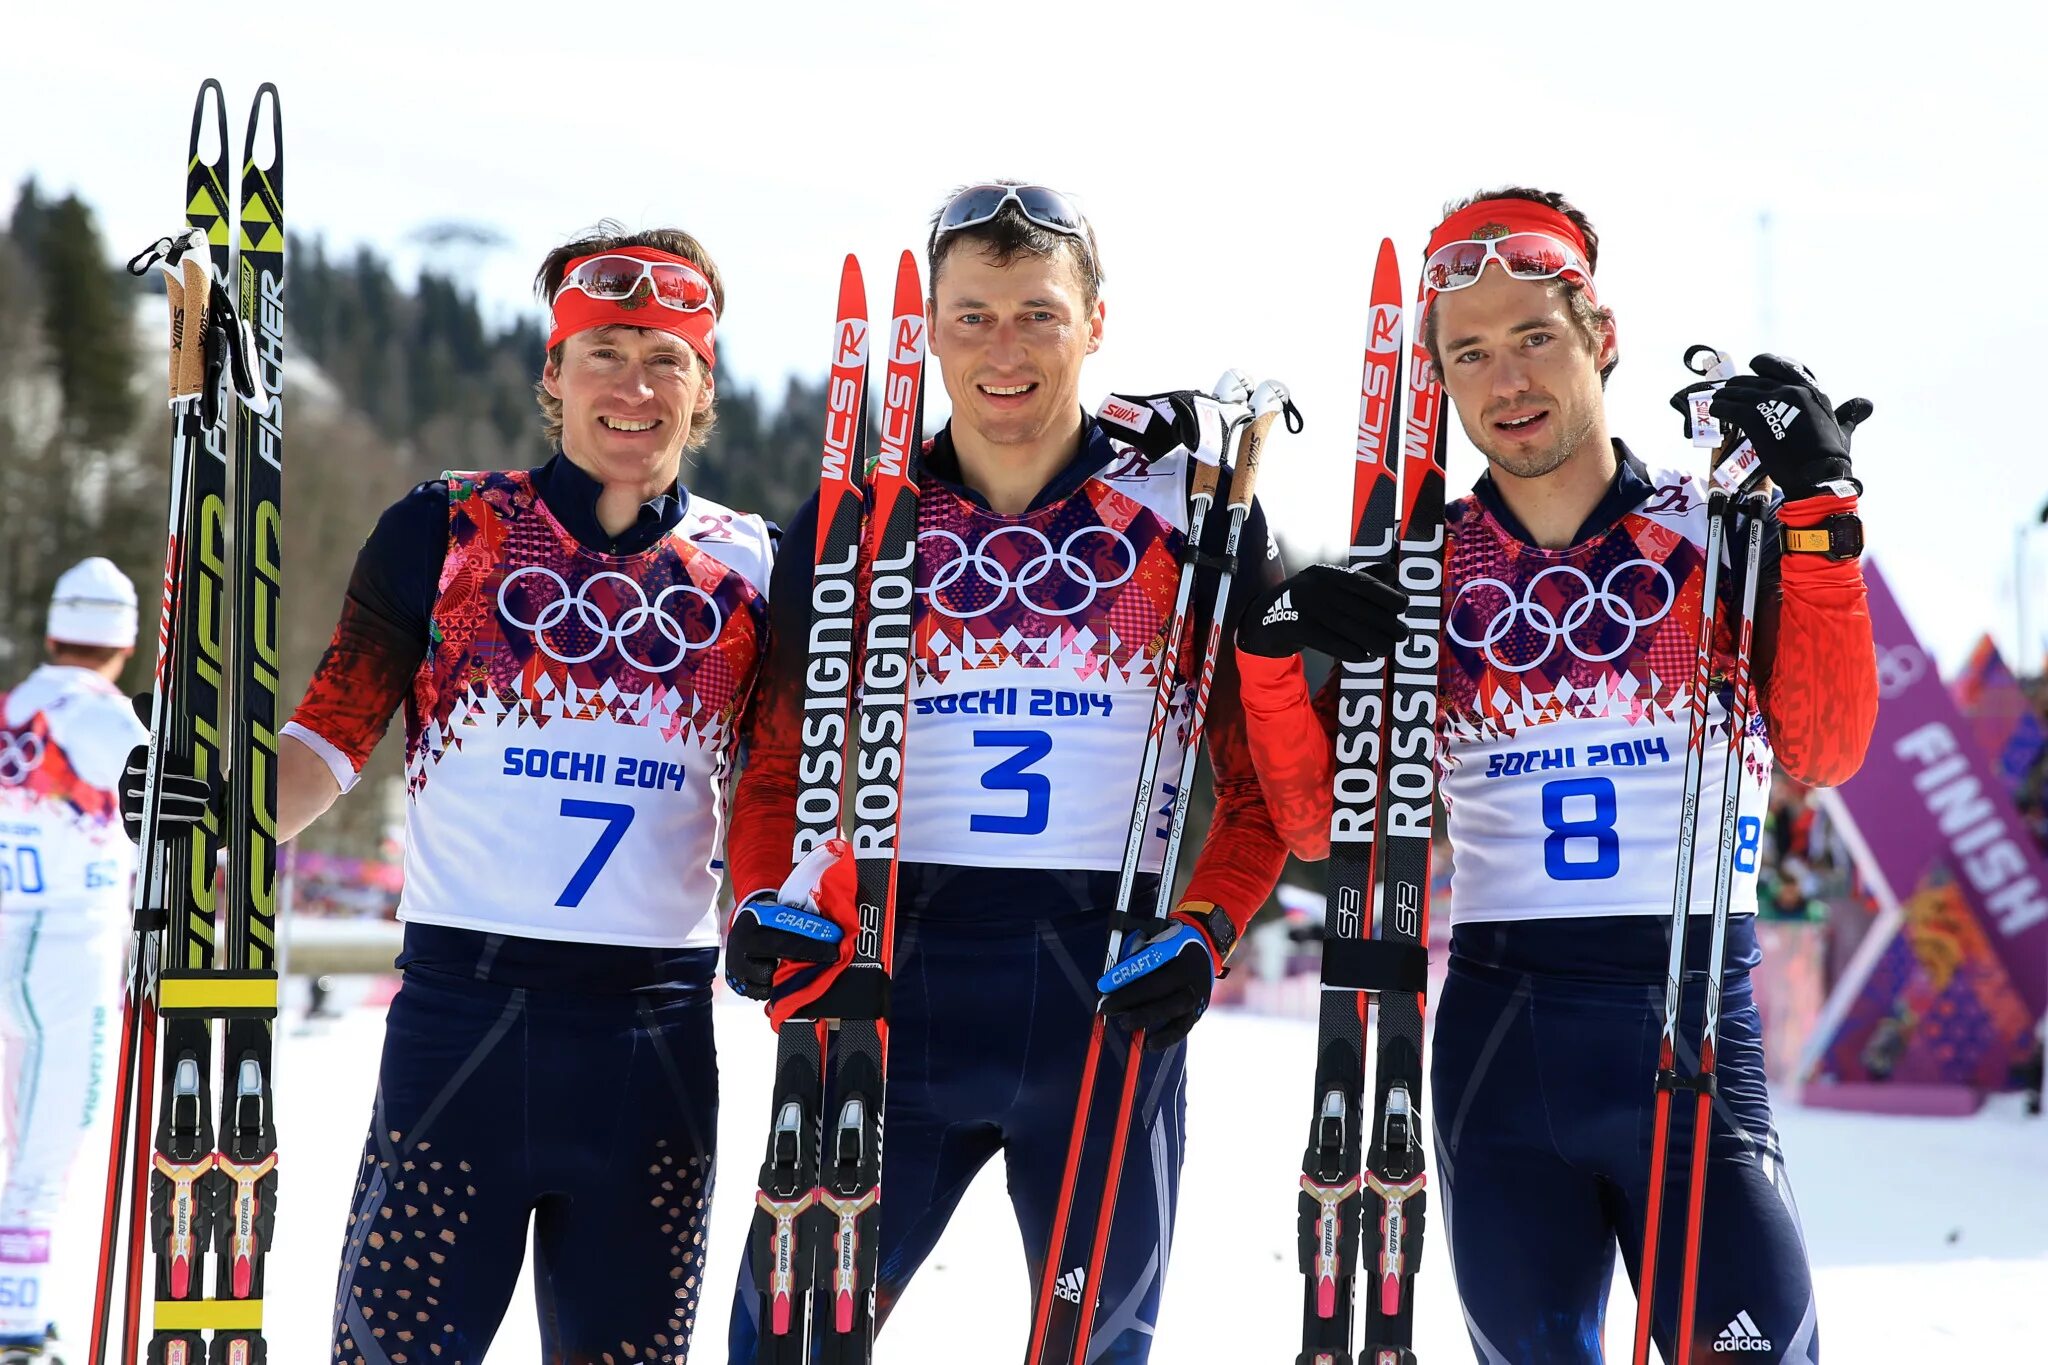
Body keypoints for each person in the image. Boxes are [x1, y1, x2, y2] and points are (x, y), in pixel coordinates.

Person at [1230, 188, 1878, 1363]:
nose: (1506, 379)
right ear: (1436, 379)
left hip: (1692, 1035)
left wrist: (1822, 524)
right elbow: (1316, 823)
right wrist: (1274, 658)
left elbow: (1823, 751)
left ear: (1602, 336)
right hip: (1501, 1047)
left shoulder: (1718, 535)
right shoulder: (1423, 574)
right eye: (1469, 352)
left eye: (1533, 336)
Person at [142, 226, 771, 1361]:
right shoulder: (444, 528)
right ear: (551, 373)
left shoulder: (759, 567)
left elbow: (789, 787)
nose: (633, 387)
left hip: (653, 1042)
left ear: (704, 383)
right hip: (461, 1028)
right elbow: (333, 735)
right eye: (604, 352)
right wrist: (221, 809)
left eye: (665, 358)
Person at [721, 182, 1289, 1362]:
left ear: (1094, 324)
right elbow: (775, 766)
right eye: (971, 317)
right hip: (885, 976)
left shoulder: (1191, 516)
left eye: (1037, 314)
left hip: (1098, 983)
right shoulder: (851, 525)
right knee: (781, 1346)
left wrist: (1203, 928)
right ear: (928, 330)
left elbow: (1261, 788)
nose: (1003, 349)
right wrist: (762, 904)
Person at [0, 558, 148, 1361]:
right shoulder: (101, 715)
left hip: (9, 936)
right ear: (121, 641)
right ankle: (17, 1323)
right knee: (51, 1145)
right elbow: (173, 795)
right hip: (69, 951)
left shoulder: (16, 703)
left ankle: (16, 1312)